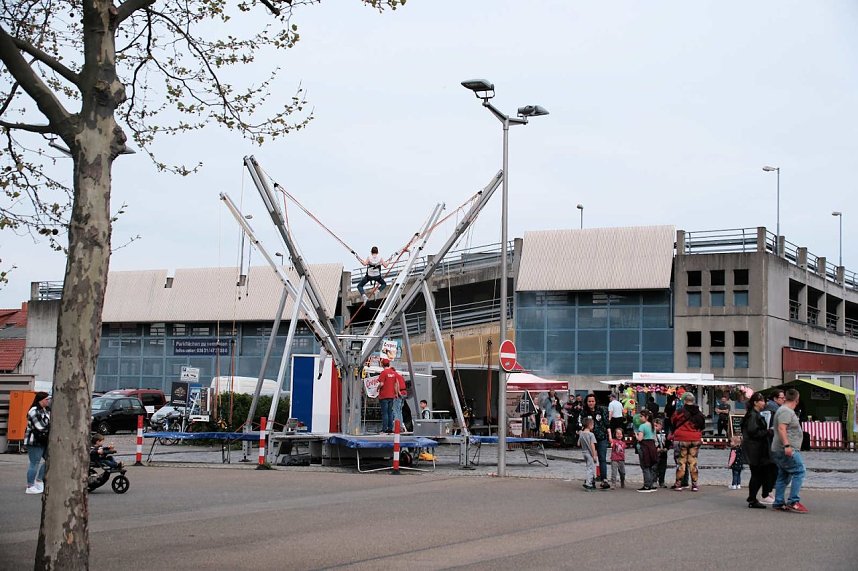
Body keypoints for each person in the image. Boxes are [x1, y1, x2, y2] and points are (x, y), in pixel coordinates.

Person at [771, 388, 808, 513]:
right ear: (797, 400)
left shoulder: (783, 410)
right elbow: (782, 428)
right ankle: (793, 501)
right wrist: (787, 446)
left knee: (784, 474)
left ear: (786, 397)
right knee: (800, 471)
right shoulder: (786, 411)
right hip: (786, 449)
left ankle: (778, 502)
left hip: (779, 448)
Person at [741, 392, 771, 509]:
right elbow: (753, 432)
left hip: (756, 448)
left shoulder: (755, 414)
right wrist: (768, 432)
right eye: (762, 401)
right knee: (757, 474)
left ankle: (753, 497)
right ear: (755, 402)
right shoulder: (753, 415)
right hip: (755, 449)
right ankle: (752, 498)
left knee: (759, 473)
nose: (764, 403)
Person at [671, 392, 705, 492]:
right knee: (693, 461)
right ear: (693, 401)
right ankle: (694, 485)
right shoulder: (699, 413)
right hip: (695, 438)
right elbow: (702, 426)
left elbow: (673, 421)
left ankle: (678, 484)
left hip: (681, 438)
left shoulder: (680, 411)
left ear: (685, 401)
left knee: (681, 461)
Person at [581, 394, 611, 489]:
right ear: (586, 402)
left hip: (601, 437)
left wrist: (610, 436)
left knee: (602, 458)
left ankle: (604, 479)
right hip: (589, 438)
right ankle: (591, 479)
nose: (591, 403)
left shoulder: (601, 410)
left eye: (592, 401)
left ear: (595, 401)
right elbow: (581, 424)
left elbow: (607, 424)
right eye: (589, 401)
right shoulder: (584, 412)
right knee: (590, 459)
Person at [24, 391, 51, 495]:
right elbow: (40, 427)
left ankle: (39, 480)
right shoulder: (34, 411)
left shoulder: (45, 410)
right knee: (34, 462)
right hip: (34, 440)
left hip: (44, 440)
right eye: (46, 399)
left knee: (50, 459)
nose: (48, 401)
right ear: (40, 400)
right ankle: (30, 486)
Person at [377, 358, 404, 433]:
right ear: (389, 364)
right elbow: (396, 384)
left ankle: (384, 428)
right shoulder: (394, 373)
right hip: (391, 396)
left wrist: (377, 388)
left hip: (384, 395)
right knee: (390, 412)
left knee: (384, 413)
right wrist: (396, 393)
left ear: (382, 364)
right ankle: (390, 428)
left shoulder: (383, 373)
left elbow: (381, 384)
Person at [636, 409, 658, 492]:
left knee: (645, 466)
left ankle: (646, 485)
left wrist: (636, 435)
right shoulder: (652, 426)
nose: (640, 418)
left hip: (644, 446)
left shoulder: (642, 426)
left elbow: (640, 439)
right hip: (652, 446)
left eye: (641, 416)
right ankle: (652, 484)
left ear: (646, 417)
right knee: (651, 465)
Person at [578, 417, 598, 491]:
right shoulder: (591, 434)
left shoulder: (581, 433)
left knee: (588, 467)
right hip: (589, 453)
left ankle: (591, 481)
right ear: (590, 425)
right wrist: (594, 455)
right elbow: (592, 445)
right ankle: (588, 483)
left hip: (584, 452)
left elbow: (578, 443)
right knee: (590, 468)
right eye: (592, 425)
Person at [653, 417, 669, 488]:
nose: (655, 427)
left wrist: (667, 448)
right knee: (654, 468)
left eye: (657, 425)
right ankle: (654, 481)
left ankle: (662, 481)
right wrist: (656, 448)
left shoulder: (664, 433)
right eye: (654, 426)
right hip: (656, 453)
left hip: (664, 453)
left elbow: (668, 441)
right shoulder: (652, 433)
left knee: (663, 468)